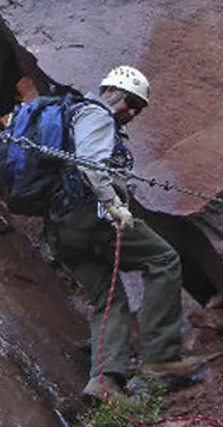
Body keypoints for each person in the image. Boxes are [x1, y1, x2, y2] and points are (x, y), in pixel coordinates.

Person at [46, 64, 212, 402]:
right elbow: (90, 164)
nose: (133, 112)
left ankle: (104, 383)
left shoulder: (72, 117)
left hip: (62, 228)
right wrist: (115, 206)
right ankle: (162, 359)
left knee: (109, 299)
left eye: (138, 108)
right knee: (163, 258)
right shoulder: (97, 115)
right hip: (91, 219)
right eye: (131, 103)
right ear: (113, 93)